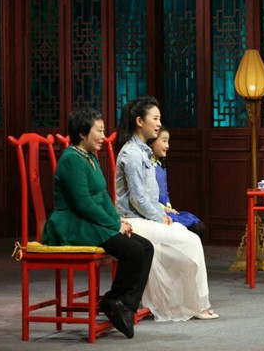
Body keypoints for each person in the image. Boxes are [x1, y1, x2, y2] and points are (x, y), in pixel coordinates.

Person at [41, 108, 154, 338]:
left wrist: (116, 219)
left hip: (90, 220)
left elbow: (102, 195)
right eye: (99, 131)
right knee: (133, 250)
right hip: (73, 223)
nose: (104, 136)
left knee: (145, 247)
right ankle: (114, 301)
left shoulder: (90, 156)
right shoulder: (71, 159)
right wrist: (114, 226)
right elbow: (83, 204)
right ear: (83, 133)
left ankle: (123, 304)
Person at [114, 96, 219, 321]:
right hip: (132, 221)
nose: (159, 123)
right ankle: (194, 305)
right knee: (190, 241)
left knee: (184, 233)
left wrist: (163, 213)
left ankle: (190, 302)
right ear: (140, 121)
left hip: (146, 218)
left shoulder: (143, 151)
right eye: (155, 118)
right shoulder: (132, 153)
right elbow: (138, 199)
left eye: (159, 118)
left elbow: (150, 197)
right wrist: (159, 217)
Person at [147, 126, 206, 240]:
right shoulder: (147, 166)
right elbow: (147, 197)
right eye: (164, 141)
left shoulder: (160, 166)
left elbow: (165, 192)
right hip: (157, 212)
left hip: (167, 211)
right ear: (152, 142)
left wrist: (169, 208)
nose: (167, 146)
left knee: (198, 224)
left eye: (168, 141)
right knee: (195, 228)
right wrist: (165, 209)